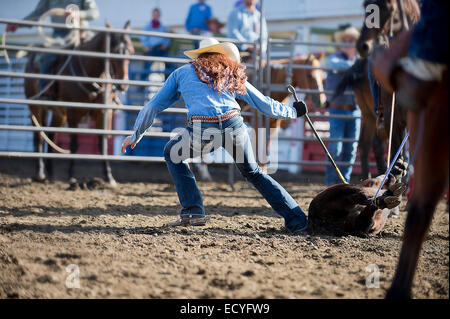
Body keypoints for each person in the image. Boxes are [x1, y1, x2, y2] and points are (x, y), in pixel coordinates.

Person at [121, 38, 308, 234]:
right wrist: (293, 111)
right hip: (234, 124)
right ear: (221, 55)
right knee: (254, 173)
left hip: (202, 128)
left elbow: (154, 105)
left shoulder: (182, 73)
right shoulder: (230, 71)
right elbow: (263, 103)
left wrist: (136, 135)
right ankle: (298, 220)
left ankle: (193, 211)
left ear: (199, 55)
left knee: (172, 152)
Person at [5, 0, 99, 96]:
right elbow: (38, 14)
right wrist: (19, 24)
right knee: (48, 56)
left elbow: (94, 12)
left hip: (82, 31)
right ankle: (45, 90)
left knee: (100, 52)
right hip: (60, 33)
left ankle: (106, 91)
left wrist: (78, 14)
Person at [373, 0, 449, 111]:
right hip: (386, 39)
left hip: (416, 36)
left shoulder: (412, 3)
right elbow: (373, 29)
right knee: (372, 62)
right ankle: (378, 109)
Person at [323, 25, 361, 186]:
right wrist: (358, 66)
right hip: (337, 109)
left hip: (355, 110)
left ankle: (343, 183)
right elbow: (334, 64)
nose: (347, 43)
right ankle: (331, 183)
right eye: (345, 40)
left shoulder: (359, 61)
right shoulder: (335, 58)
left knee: (350, 150)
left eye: (351, 40)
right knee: (335, 149)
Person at [139, 8, 172, 82]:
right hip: (152, 49)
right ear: (152, 15)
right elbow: (143, 37)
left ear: (159, 15)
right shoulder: (147, 26)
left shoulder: (162, 27)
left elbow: (167, 39)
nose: (156, 16)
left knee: (170, 62)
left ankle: (170, 81)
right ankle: (141, 82)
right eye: (154, 14)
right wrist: (147, 46)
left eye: (157, 14)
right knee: (147, 65)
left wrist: (165, 44)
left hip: (161, 49)